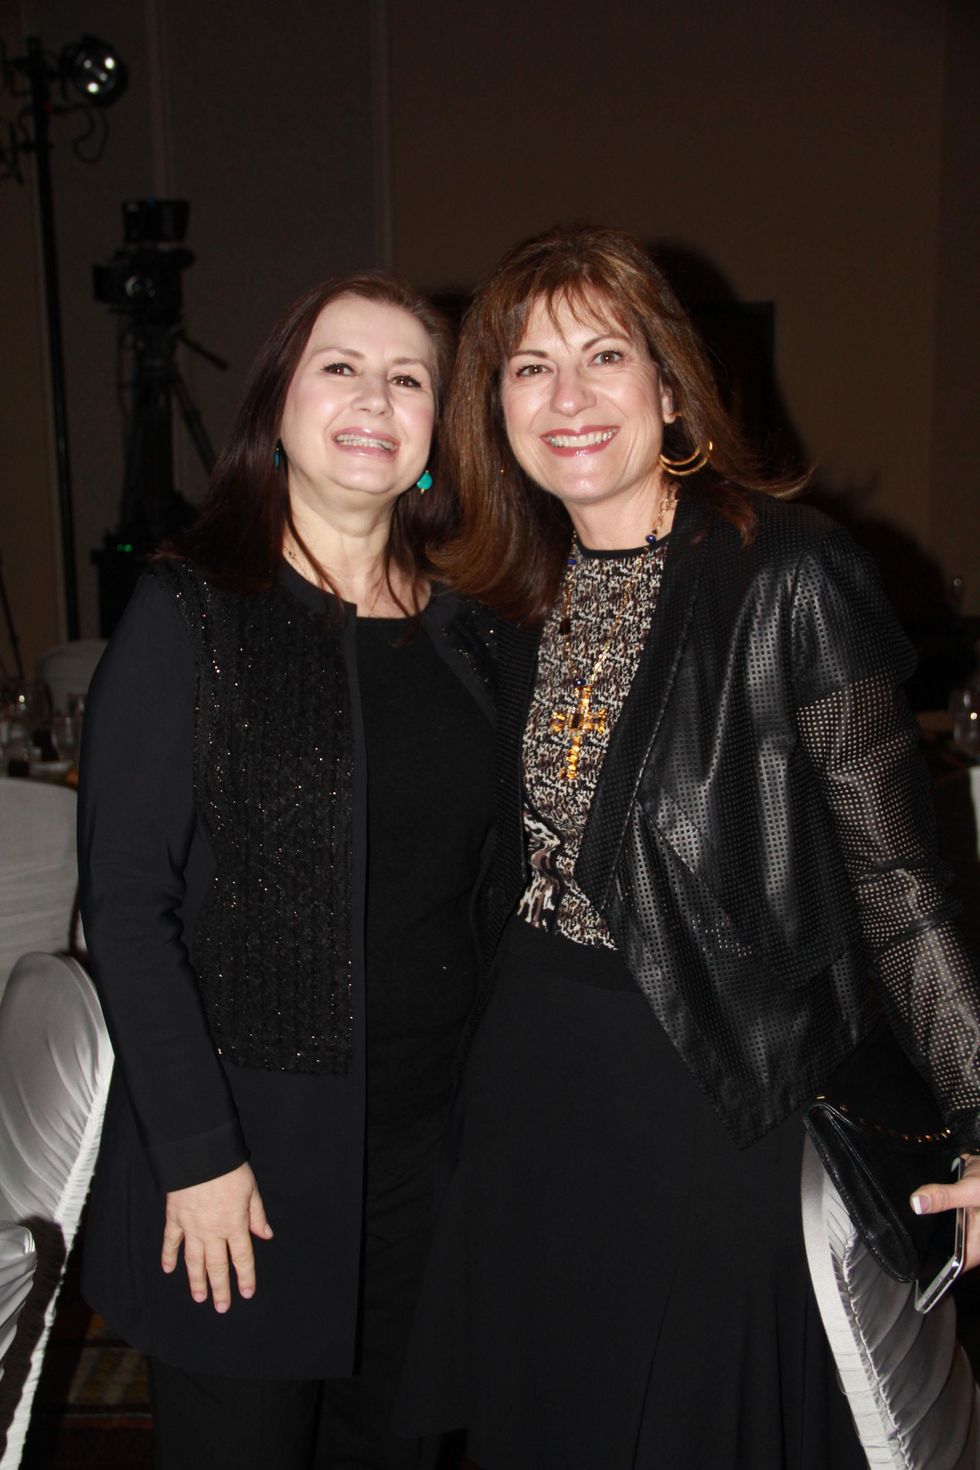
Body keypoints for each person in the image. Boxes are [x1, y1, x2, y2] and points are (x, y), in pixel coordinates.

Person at [395, 225, 980, 1469]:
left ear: (667, 386)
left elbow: (894, 881)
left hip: (716, 1081)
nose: (567, 396)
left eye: (603, 355)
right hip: (529, 1078)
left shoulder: (790, 575)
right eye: (529, 367)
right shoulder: (505, 594)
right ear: (493, 408)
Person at [78, 272, 494, 1470]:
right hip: (248, 1157)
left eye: (407, 378)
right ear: (276, 405)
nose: (374, 398)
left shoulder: (473, 627)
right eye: (340, 367)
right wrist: (197, 1152)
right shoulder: (193, 609)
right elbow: (125, 904)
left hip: (431, 1157)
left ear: (435, 431)